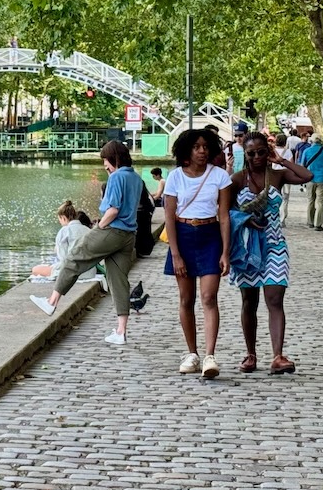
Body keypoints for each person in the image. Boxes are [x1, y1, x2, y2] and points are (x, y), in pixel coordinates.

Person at [30, 140, 143, 345]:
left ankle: (51, 301)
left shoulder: (117, 177)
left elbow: (113, 209)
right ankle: (121, 331)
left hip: (112, 230)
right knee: (118, 280)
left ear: (113, 158)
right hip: (129, 235)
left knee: (74, 255)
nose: (104, 166)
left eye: (105, 161)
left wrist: (99, 227)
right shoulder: (135, 177)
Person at [230, 131, 313, 374]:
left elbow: (307, 175)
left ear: (268, 152)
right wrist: (244, 219)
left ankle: (278, 355)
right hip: (247, 249)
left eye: (261, 152)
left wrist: (281, 160)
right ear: (245, 155)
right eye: (251, 153)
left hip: (275, 245)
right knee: (249, 301)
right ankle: (250, 354)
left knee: (275, 299)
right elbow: (224, 211)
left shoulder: (278, 176)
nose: (256, 157)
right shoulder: (237, 180)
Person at [164, 128, 233, 379]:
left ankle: (209, 356)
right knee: (186, 298)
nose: (202, 151)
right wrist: (175, 254)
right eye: (196, 147)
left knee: (209, 296)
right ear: (186, 151)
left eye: (205, 146)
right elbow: (169, 218)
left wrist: (226, 252)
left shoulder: (220, 176)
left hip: (210, 235)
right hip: (182, 236)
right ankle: (191, 353)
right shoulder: (174, 178)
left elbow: (224, 217)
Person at [30, 201, 94, 281]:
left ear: (63, 217)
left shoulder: (64, 231)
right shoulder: (88, 230)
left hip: (72, 272)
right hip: (90, 272)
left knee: (35, 269)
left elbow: (64, 259)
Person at [298, 135, 323, 231]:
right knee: (320, 202)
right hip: (322, 179)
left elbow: (302, 166)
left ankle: (310, 222)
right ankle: (318, 224)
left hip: (310, 179)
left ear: (312, 141)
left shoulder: (306, 151)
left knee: (310, 200)